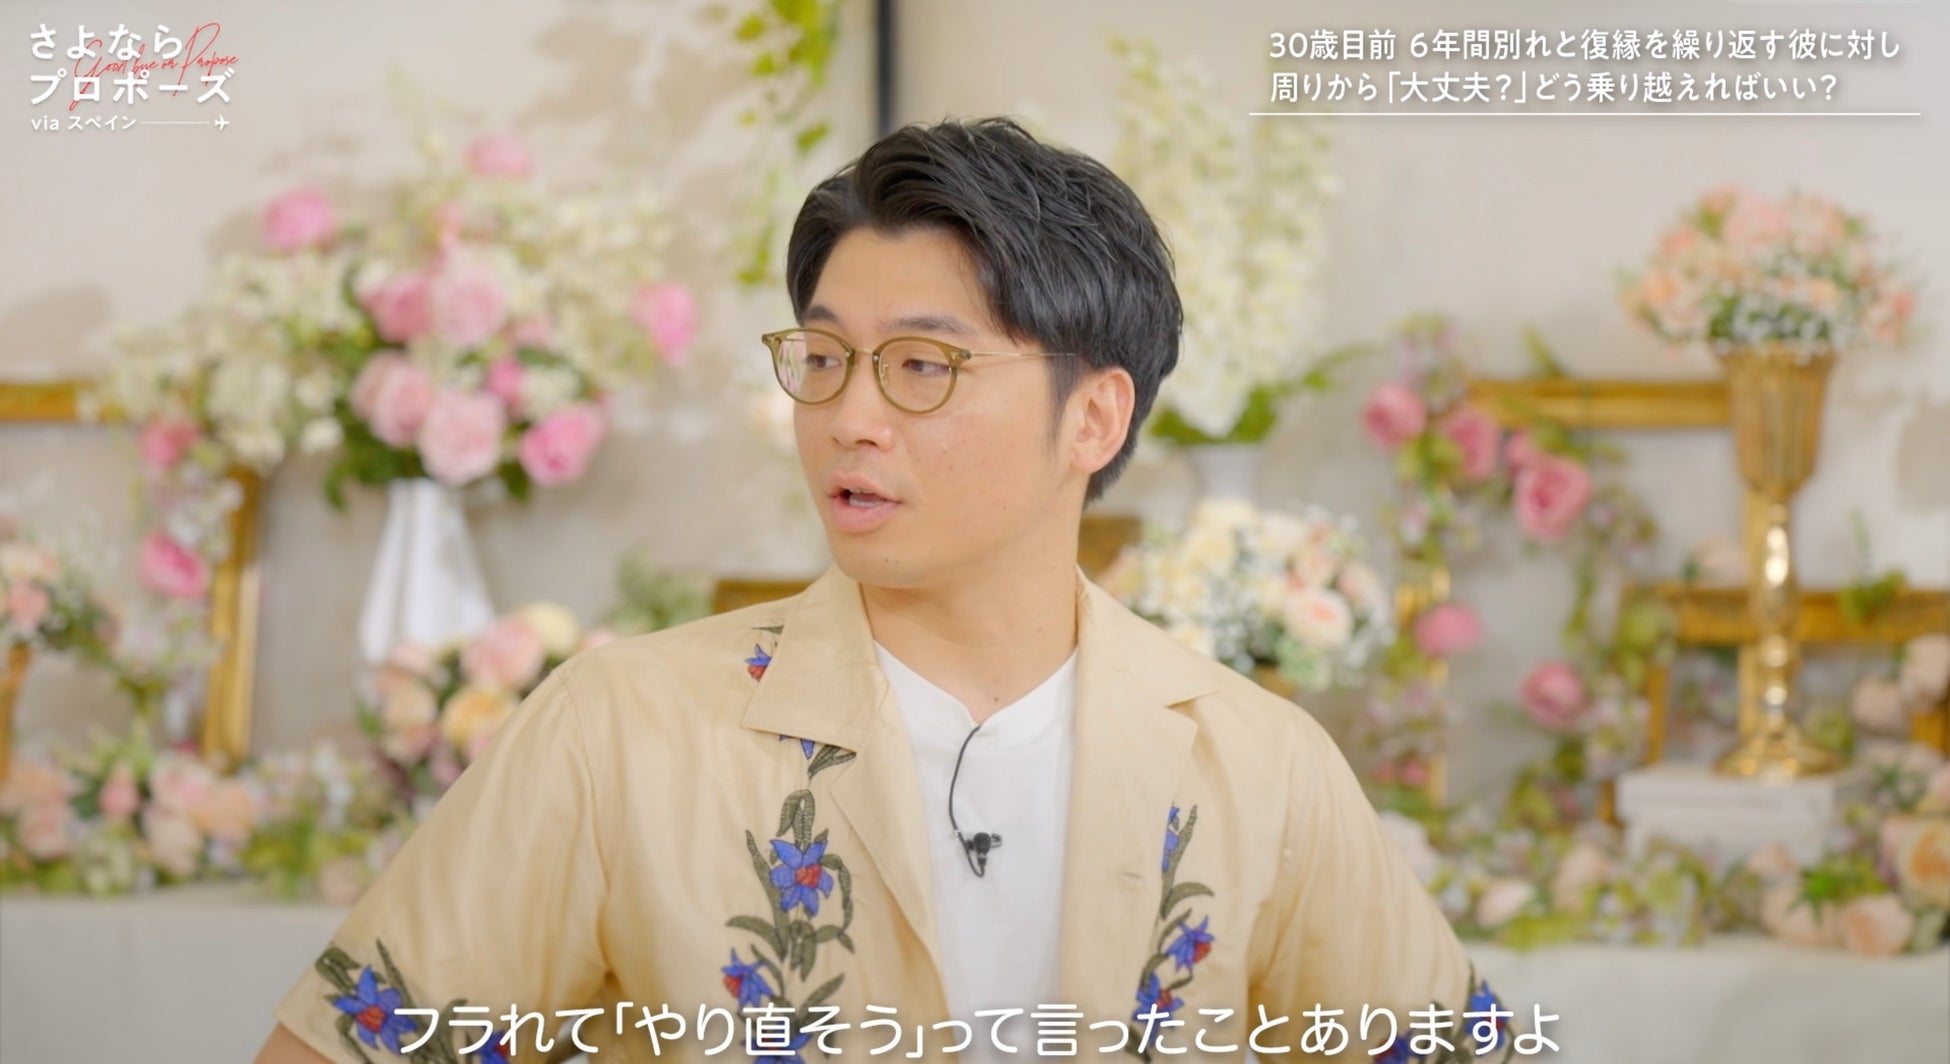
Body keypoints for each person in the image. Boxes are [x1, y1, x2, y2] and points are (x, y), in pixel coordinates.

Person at [254, 117, 1507, 1064]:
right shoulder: (620, 730)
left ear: (1094, 416)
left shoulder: (1256, 765)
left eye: (921, 365)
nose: (849, 415)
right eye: (824, 356)